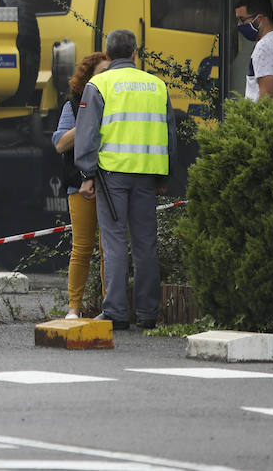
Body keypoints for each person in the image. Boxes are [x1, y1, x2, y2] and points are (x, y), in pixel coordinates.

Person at [74, 29, 175, 331]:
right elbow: (170, 136)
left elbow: (87, 134)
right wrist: (164, 175)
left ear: (107, 55)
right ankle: (147, 314)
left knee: (115, 242)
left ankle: (116, 312)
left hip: (112, 175)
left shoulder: (99, 85)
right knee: (145, 244)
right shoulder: (157, 85)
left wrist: (87, 173)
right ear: (134, 53)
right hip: (147, 175)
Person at [50, 50, 108, 320]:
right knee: (82, 248)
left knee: (110, 248)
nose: (106, 79)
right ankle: (74, 307)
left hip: (110, 183)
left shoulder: (118, 103)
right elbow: (61, 143)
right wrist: (87, 119)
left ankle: (110, 307)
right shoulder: (73, 105)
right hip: (80, 185)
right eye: (101, 74)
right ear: (87, 79)